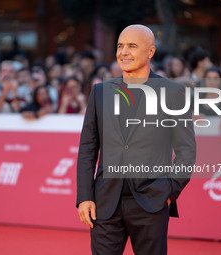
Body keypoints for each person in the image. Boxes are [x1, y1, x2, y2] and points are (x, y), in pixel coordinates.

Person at [76, 24, 196, 255]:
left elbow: (186, 150)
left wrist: (169, 191)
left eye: (132, 46)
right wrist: (84, 197)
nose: (124, 52)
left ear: (150, 52)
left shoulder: (172, 93)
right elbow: (88, 148)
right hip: (104, 201)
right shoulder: (100, 92)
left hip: (151, 200)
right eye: (120, 46)